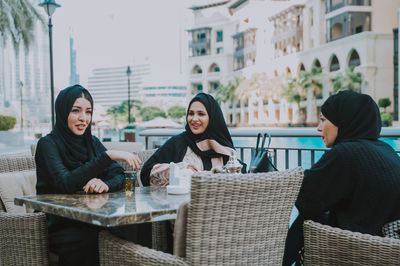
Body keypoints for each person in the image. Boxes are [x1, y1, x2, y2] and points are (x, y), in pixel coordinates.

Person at [283, 90, 400, 265]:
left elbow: (306, 199)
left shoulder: (345, 153)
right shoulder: (386, 150)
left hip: (357, 248)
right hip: (387, 247)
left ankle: (275, 260)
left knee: (308, 218)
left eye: (323, 120)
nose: (318, 127)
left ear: (343, 121)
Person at [35, 84, 141, 266]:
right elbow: (65, 183)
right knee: (88, 240)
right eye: (76, 111)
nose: (83, 118)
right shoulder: (47, 144)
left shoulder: (92, 142)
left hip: (93, 218)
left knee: (132, 232)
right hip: (59, 223)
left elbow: (123, 177)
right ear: (62, 112)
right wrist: (107, 156)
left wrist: (105, 184)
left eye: (88, 112)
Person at [141, 92, 245, 187]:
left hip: (219, 206)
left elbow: (240, 179)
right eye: (191, 113)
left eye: (201, 114)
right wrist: (180, 170)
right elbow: (146, 172)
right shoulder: (178, 143)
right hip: (183, 205)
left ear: (212, 118)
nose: (194, 119)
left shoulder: (223, 147)